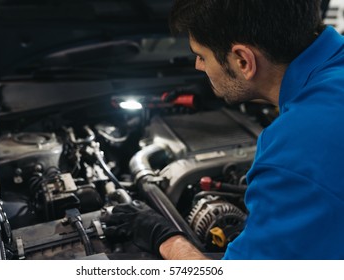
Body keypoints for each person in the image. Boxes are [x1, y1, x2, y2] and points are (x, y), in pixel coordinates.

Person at [105, 0, 344, 259]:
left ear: (243, 60)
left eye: (201, 55)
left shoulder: (294, 156)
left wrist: (163, 237)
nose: (198, 65)